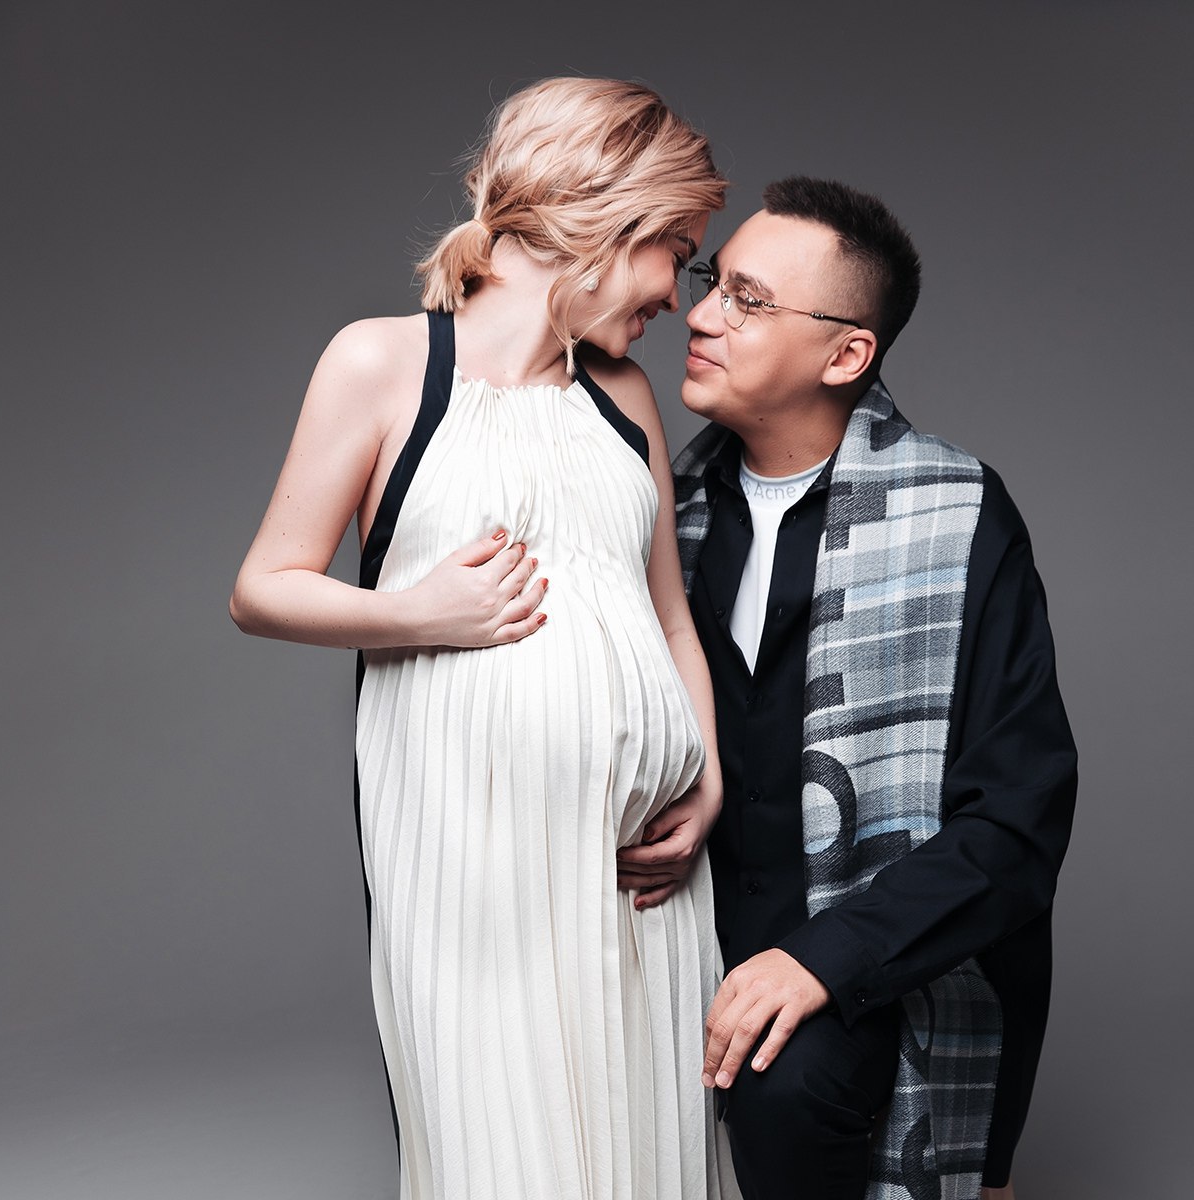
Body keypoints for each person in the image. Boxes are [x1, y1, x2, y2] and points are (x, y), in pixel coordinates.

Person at [230, 77, 741, 1199]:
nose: (678, 294)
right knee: (503, 1153)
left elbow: (669, 617)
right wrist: (413, 614)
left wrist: (705, 784)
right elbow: (263, 588)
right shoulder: (382, 364)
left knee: (652, 1155)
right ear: (603, 216)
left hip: (641, 880)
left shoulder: (624, 397)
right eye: (676, 251)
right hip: (472, 870)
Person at [619, 176, 1078, 1200]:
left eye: (747, 300)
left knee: (782, 1090)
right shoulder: (654, 508)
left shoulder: (960, 516)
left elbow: (1018, 820)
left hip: (874, 964)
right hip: (676, 944)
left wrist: (824, 959)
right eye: (712, 283)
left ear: (846, 355)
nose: (700, 315)